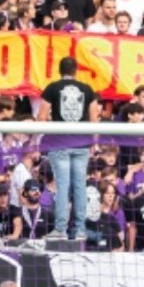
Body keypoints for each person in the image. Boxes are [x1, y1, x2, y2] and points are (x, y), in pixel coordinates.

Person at [39, 57, 100, 240]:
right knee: (80, 186)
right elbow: (94, 118)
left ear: (60, 70)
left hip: (59, 143)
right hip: (81, 143)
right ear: (76, 71)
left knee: (63, 186)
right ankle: (80, 230)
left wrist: (42, 138)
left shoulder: (52, 87)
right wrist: (94, 142)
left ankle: (61, 229)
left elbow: (41, 116)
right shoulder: (87, 89)